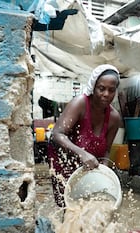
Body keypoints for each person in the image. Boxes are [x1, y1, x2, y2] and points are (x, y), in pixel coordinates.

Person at [47, 64, 122, 207]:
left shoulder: (114, 118)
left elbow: (106, 151)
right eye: (101, 88)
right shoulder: (80, 104)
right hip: (64, 159)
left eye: (111, 90)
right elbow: (57, 134)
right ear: (93, 87)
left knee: (91, 203)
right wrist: (82, 153)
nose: (106, 94)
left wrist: (104, 171)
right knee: (68, 204)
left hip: (87, 165)